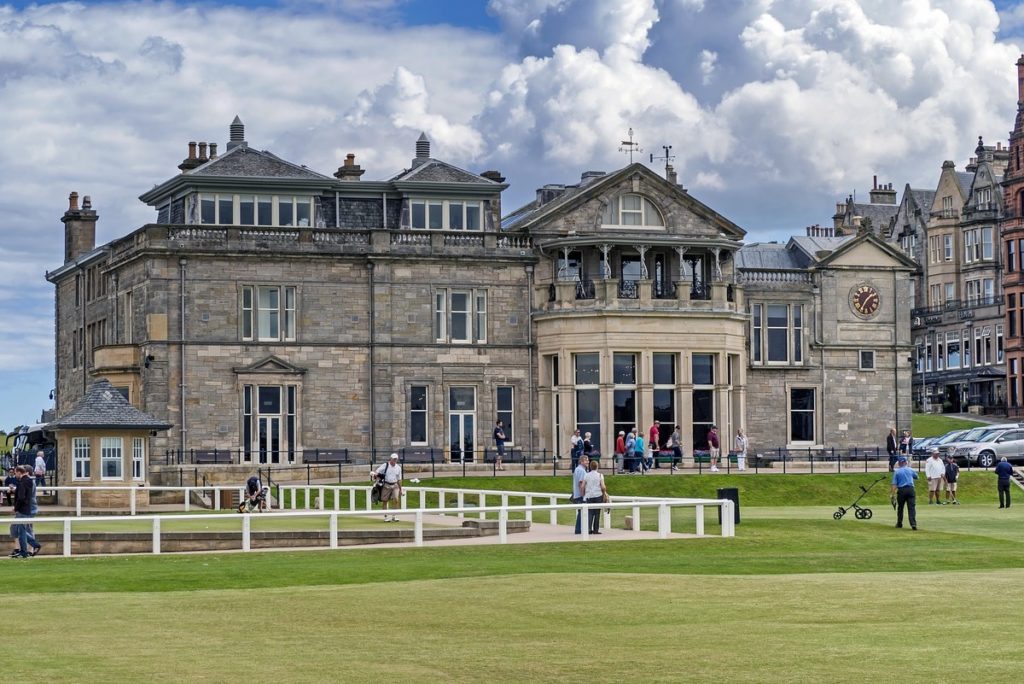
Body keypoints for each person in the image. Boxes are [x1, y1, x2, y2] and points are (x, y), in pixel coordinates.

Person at [11, 465, 41, 558]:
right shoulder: (28, 481)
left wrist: (16, 507)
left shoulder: (24, 482)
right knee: (20, 529)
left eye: (15, 472)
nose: (14, 474)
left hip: (24, 509)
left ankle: (25, 550)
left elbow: (22, 497)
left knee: (22, 530)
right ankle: (32, 546)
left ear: (20, 472)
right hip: (27, 509)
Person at [890, 455, 918, 530]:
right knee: (911, 507)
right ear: (906, 462)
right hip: (910, 489)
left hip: (902, 490)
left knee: (900, 507)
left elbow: (894, 484)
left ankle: (899, 523)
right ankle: (913, 523)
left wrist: (892, 494)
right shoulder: (910, 469)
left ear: (899, 463)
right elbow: (916, 477)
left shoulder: (897, 472)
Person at [581, 459, 608, 534]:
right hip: (598, 495)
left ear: (590, 467)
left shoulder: (586, 475)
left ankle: (589, 529)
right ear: (597, 467)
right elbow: (603, 486)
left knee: (590, 513)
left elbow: (582, 486)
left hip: (589, 495)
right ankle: (596, 530)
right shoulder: (600, 475)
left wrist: (583, 494)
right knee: (597, 513)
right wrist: (605, 493)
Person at [374, 453, 403, 521]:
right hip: (386, 485)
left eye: (396, 459)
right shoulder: (385, 465)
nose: (395, 461)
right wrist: (376, 475)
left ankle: (394, 516)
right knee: (385, 501)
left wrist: (401, 489)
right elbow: (377, 471)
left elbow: (399, 479)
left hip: (395, 485)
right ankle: (386, 516)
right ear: (390, 459)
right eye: (394, 459)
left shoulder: (398, 468)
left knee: (396, 499)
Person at [572, 454, 590, 534]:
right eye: (586, 460)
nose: (588, 462)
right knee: (582, 513)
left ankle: (579, 529)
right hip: (580, 495)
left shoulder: (577, 469)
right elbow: (581, 484)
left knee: (581, 512)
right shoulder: (582, 470)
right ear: (581, 461)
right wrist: (584, 496)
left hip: (577, 494)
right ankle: (579, 530)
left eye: (588, 460)